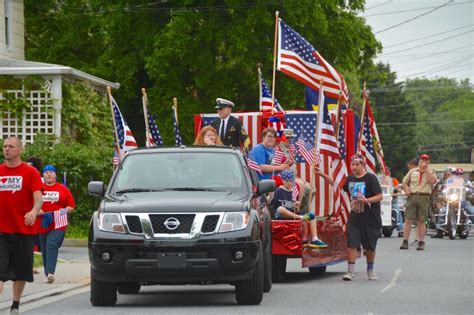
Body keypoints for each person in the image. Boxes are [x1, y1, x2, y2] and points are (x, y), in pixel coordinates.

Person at [314, 153, 383, 281]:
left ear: (363, 165)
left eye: (357, 164)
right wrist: (322, 175)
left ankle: (370, 269)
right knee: (352, 244)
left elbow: (379, 196)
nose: (354, 167)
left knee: (369, 246)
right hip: (355, 218)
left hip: (370, 218)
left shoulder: (371, 178)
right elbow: (337, 184)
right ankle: (350, 271)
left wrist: (366, 200)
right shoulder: (350, 179)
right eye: (353, 164)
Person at [0, 136, 44, 314]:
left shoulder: (30, 172)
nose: (7, 149)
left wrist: (34, 211)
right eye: (4, 146)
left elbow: (39, 197)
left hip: (23, 229)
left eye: (11, 146)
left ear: (19, 150)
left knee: (21, 272)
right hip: (1, 230)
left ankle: (15, 305)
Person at [35, 164, 75, 284]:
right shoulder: (38, 189)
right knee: (45, 249)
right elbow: (31, 202)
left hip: (58, 222)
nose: (49, 174)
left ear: (55, 175)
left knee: (51, 245)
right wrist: (37, 210)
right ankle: (48, 274)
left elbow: (71, 205)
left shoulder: (63, 189)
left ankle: (51, 272)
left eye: (51, 172)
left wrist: (64, 210)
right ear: (43, 175)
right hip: (42, 222)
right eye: (46, 172)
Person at [271, 170, 328, 248]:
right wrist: (270, 197)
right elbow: (274, 205)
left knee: (312, 215)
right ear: (283, 181)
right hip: (281, 216)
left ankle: (314, 238)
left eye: (291, 181)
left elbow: (297, 209)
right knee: (280, 209)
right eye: (288, 181)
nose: (290, 183)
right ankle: (301, 218)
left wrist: (297, 205)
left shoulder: (294, 192)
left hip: (293, 215)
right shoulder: (279, 191)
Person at [400, 154, 437, 250]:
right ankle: (405, 241)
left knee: (421, 220)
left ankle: (421, 241)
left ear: (428, 161)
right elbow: (404, 181)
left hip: (424, 197)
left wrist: (426, 170)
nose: (424, 162)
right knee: (408, 220)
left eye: (426, 160)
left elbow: (432, 181)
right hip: (412, 196)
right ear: (419, 160)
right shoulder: (413, 171)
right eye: (422, 160)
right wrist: (407, 188)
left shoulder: (431, 171)